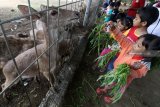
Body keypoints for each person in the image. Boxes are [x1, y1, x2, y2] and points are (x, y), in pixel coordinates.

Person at [97, 29, 160, 103]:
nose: (134, 45)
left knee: (120, 88)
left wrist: (131, 70)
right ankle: (105, 89)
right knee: (110, 81)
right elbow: (122, 38)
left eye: (138, 45)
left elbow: (139, 74)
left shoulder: (143, 64)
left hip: (125, 79)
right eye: (136, 42)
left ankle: (114, 98)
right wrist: (114, 29)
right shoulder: (129, 46)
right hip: (115, 70)